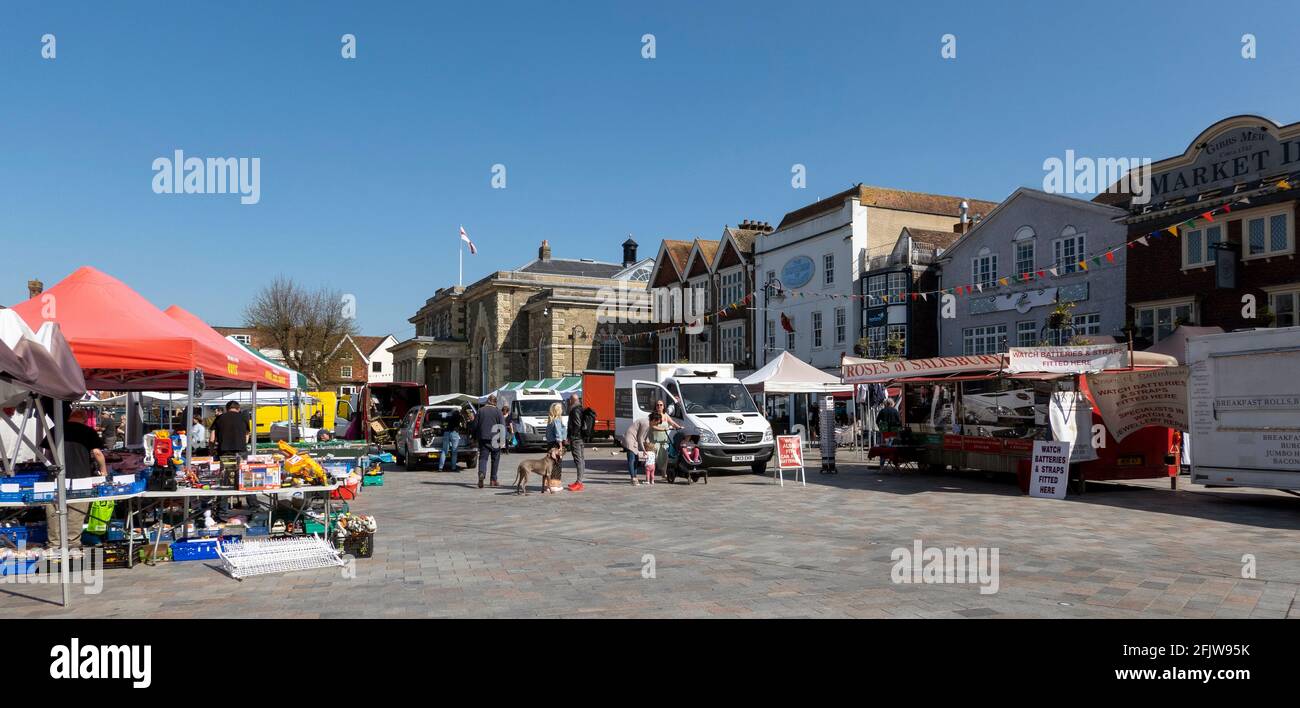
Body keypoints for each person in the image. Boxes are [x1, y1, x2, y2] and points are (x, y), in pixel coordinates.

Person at [44, 406, 108, 549]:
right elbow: (97, 453)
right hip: (81, 478)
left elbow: (47, 453)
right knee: (76, 512)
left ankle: (54, 544)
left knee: (54, 511)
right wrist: (104, 471)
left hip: (55, 477)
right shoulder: (88, 431)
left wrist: (52, 466)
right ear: (85, 419)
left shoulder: (55, 430)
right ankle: (72, 544)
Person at [474, 394, 504, 488]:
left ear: (487, 401)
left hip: (483, 438)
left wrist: (474, 437)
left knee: (483, 458)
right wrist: (503, 441)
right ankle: (493, 480)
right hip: (496, 439)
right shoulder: (498, 412)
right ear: (495, 402)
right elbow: (502, 426)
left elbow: (475, 425)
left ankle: (481, 473)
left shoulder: (480, 411)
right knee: (495, 460)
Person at [564, 394, 586, 492]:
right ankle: (579, 482)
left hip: (576, 439)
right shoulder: (580, 408)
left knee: (578, 460)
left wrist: (572, 437)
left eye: (570, 400)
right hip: (580, 438)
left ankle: (579, 482)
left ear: (572, 400)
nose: (569, 401)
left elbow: (577, 424)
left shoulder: (575, 410)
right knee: (581, 459)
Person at [622, 415, 651, 486]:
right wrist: (644, 449)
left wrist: (648, 444)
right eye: (657, 422)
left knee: (636, 460)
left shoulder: (648, 423)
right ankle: (633, 478)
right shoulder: (646, 423)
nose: (657, 424)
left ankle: (635, 477)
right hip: (630, 439)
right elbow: (640, 438)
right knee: (632, 459)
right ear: (654, 420)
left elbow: (645, 436)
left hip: (634, 440)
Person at [545, 402, 566, 489]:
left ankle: (548, 485)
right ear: (558, 410)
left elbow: (547, 434)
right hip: (556, 444)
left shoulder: (550, 420)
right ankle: (555, 485)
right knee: (557, 465)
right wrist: (560, 445)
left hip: (550, 444)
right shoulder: (557, 420)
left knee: (550, 465)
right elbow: (558, 433)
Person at [648, 412, 671, 485]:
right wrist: (666, 428)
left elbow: (672, 422)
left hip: (663, 442)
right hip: (654, 442)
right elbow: (654, 427)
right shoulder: (652, 420)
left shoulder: (666, 415)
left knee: (664, 458)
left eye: (661, 405)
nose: (659, 406)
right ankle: (649, 477)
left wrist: (678, 426)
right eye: (658, 405)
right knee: (652, 459)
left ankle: (663, 474)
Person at [438, 405, 463, 472]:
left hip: (446, 433)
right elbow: (461, 425)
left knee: (444, 451)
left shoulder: (449, 416)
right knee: (454, 451)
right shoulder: (458, 416)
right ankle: (453, 467)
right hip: (454, 433)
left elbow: (443, 421)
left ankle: (440, 467)